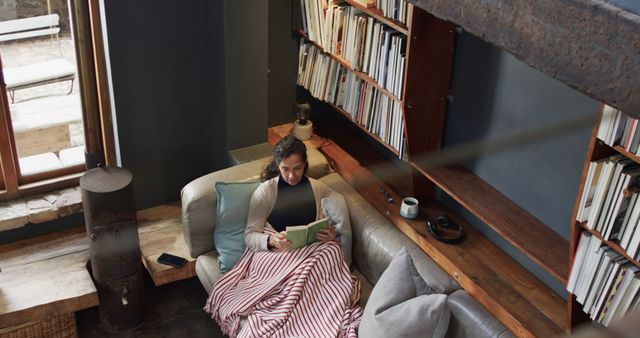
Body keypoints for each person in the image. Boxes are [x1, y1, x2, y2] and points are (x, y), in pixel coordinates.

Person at [244, 135, 337, 251]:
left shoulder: (319, 189)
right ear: (278, 166)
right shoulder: (265, 191)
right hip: (276, 253)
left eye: (297, 168)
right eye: (285, 169)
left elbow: (330, 226)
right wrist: (271, 240)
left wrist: (331, 236)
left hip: (310, 251)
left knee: (333, 249)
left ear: (304, 165)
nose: (292, 176)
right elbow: (249, 236)